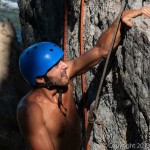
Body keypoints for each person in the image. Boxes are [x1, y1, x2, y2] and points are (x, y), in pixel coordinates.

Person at [17, 7, 150, 150]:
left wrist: (119, 20)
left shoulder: (62, 78)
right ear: (40, 79)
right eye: (55, 66)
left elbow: (100, 50)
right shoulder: (31, 111)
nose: (64, 66)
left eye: (60, 61)